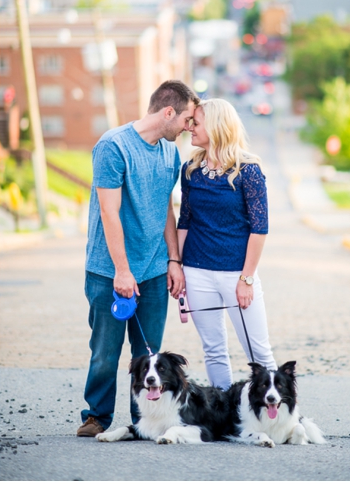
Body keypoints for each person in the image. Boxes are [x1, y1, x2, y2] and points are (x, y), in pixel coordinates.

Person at [78, 80, 197, 437]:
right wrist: (122, 271)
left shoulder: (168, 153)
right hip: (109, 270)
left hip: (154, 269)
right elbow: (109, 212)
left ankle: (142, 420)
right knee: (105, 352)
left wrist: (173, 260)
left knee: (149, 353)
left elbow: (166, 209)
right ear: (168, 112)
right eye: (188, 120)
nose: (190, 128)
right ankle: (97, 415)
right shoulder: (113, 147)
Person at [177, 97, 274, 389]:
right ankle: (225, 418)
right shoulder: (190, 170)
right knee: (214, 351)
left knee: (259, 353)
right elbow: (185, 219)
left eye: (196, 122)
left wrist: (246, 278)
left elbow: (259, 229)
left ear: (217, 126)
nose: (189, 127)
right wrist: (178, 267)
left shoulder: (249, 171)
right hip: (197, 272)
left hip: (237, 274)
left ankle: (283, 416)